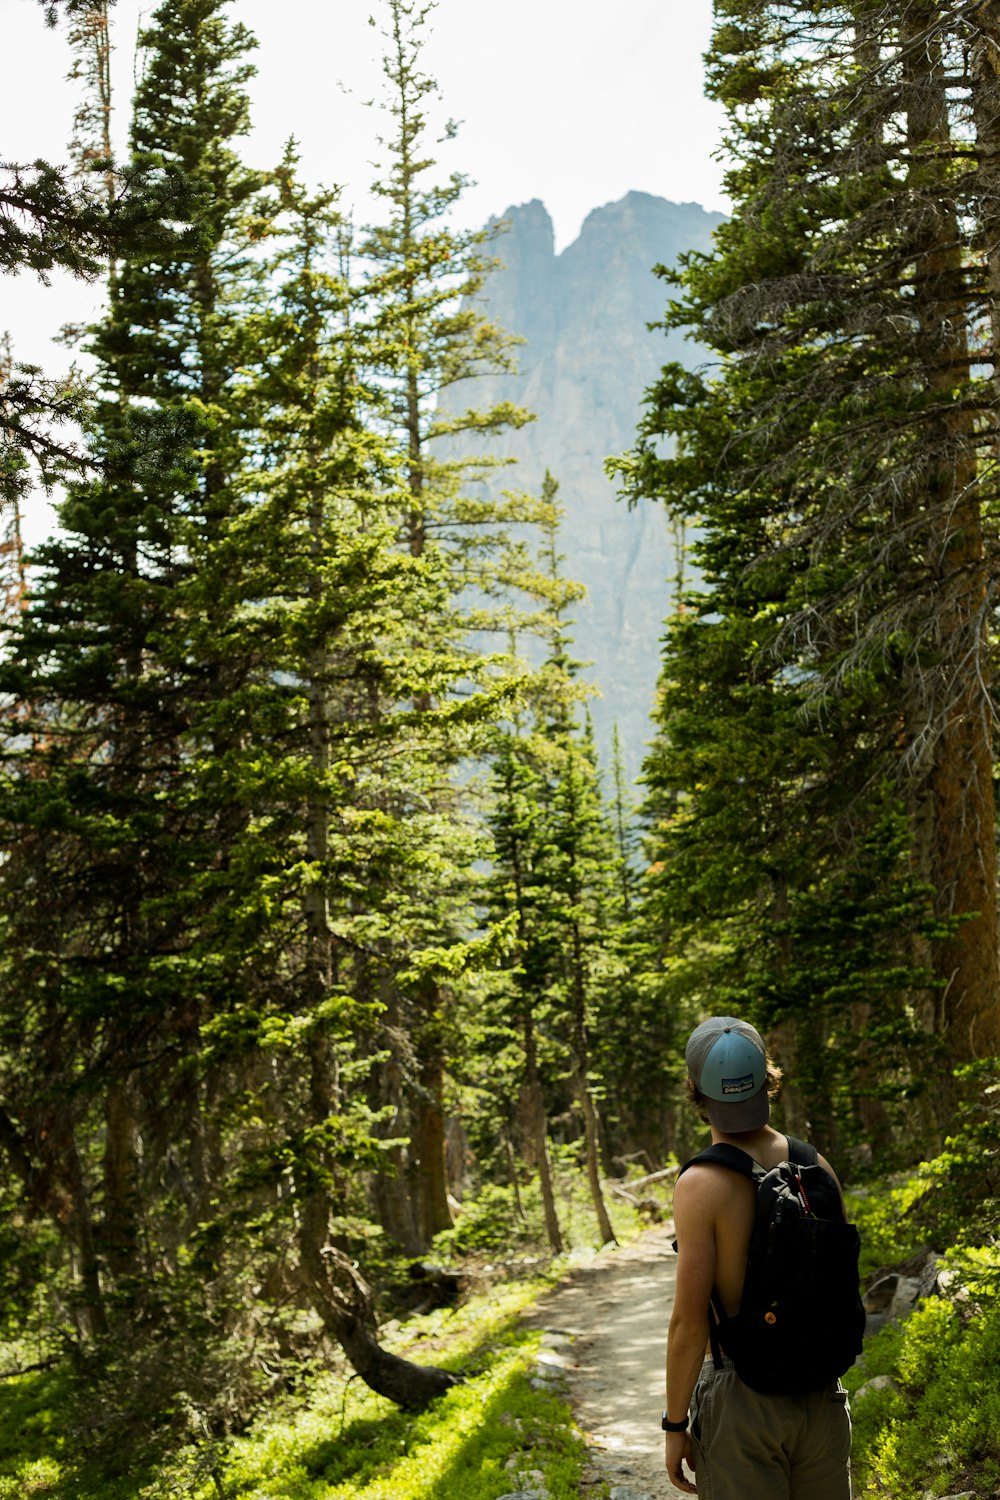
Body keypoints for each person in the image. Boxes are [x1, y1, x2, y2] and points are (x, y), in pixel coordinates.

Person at [664, 1016, 853, 1498]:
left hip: (742, 1401)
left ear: (696, 1090)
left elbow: (690, 1323)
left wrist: (675, 1425)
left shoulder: (700, 1186)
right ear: (767, 1078)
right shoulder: (816, 1165)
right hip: (821, 1397)